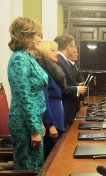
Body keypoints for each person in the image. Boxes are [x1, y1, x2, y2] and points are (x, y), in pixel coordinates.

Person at [7, 17, 48, 171]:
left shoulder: (28, 57)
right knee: (29, 168)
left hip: (32, 119)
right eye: (38, 35)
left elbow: (34, 95)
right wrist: (33, 129)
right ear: (27, 36)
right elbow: (24, 98)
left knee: (36, 166)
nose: (40, 39)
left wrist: (39, 122)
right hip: (24, 123)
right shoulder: (19, 59)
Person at [34, 40, 67, 161]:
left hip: (57, 116)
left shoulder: (51, 69)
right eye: (53, 50)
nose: (57, 53)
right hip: (51, 119)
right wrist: (51, 124)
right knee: (52, 158)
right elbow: (44, 98)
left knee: (57, 154)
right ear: (44, 51)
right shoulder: (43, 71)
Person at [54, 34, 87, 127]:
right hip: (65, 109)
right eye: (74, 46)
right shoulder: (59, 61)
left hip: (69, 110)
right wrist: (77, 89)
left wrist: (77, 85)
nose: (75, 48)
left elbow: (66, 82)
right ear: (68, 47)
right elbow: (60, 87)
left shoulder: (65, 61)